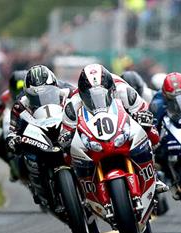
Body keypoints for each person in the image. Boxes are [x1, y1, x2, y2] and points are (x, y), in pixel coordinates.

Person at [58, 63, 167, 193]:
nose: (96, 98)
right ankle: (83, 187)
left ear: (111, 88)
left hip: (121, 127)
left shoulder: (125, 91)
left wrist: (142, 117)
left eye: (101, 93)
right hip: (94, 137)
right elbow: (66, 130)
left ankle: (153, 173)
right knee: (67, 155)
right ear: (82, 93)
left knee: (152, 134)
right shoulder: (73, 104)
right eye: (90, 95)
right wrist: (66, 137)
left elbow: (143, 110)